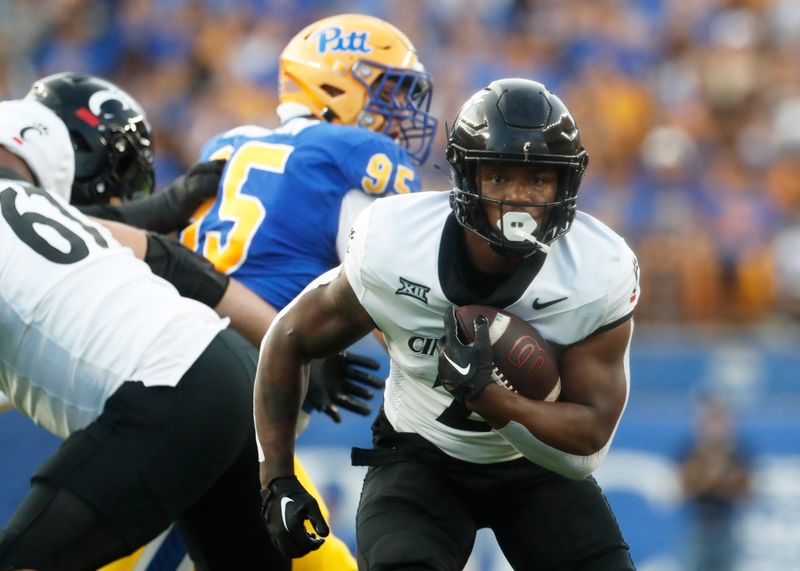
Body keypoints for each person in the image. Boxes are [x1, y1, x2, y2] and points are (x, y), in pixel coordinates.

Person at [254, 78, 641, 569]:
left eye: (538, 180)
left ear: (565, 186)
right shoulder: (395, 242)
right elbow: (288, 338)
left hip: (534, 469)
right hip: (419, 457)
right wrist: (277, 481)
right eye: (499, 177)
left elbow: (590, 434)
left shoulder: (595, 270)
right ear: (467, 178)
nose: (518, 199)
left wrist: (492, 398)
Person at [25, 71, 377, 570]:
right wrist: (287, 339)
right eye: (111, 180)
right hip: (160, 424)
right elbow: (169, 264)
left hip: (178, 419)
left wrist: (284, 341)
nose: (118, 201)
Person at [0, 99, 278, 569]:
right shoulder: (39, 212)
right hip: (225, 366)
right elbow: (169, 259)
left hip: (166, 390)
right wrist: (285, 340)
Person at [181, 12, 437, 313]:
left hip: (188, 319)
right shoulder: (354, 153)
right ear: (332, 87)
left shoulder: (229, 142)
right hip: (262, 342)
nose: (403, 112)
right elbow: (389, 297)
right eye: (389, 93)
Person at [679, 396, 752, 571]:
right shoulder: (691, 451)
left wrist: (716, 482)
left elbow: (747, 493)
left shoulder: (738, 454)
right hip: (699, 525)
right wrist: (715, 481)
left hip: (727, 525)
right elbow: (682, 490)